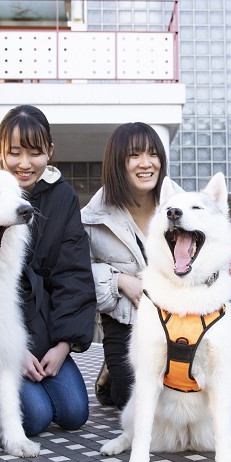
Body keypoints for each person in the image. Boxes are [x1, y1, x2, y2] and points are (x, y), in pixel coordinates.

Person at [0, 104, 96, 436]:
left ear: (50, 151)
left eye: (35, 152)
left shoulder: (63, 196)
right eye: (15, 152)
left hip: (46, 331)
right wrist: (12, 349)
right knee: (36, 418)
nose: (25, 164)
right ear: (0, 151)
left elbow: (73, 274)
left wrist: (63, 345)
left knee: (73, 413)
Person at [80, 122, 168, 409]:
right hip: (125, 320)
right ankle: (111, 371)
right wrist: (119, 280)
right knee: (132, 400)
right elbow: (77, 273)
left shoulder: (179, 205)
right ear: (118, 163)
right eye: (134, 156)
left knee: (225, 386)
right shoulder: (92, 218)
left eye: (153, 154)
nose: (146, 164)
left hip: (179, 318)